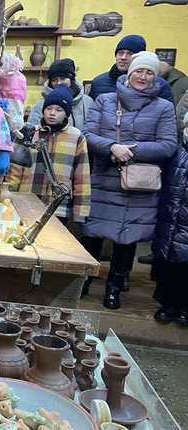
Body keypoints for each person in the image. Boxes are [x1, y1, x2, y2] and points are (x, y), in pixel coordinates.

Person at [83, 51, 178, 310]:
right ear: (129, 73)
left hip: (140, 183)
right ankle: (83, 281)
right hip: (105, 177)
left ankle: (114, 287)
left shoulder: (163, 107)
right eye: (139, 71)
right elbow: (88, 133)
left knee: (127, 238)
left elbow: (168, 145)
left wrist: (131, 150)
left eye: (149, 72)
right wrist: (112, 147)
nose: (143, 76)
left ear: (155, 77)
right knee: (93, 233)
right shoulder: (105, 100)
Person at [7, 86, 91, 225]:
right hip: (26, 201)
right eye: (48, 108)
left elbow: (82, 177)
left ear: (67, 113)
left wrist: (80, 213)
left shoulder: (76, 137)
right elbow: (14, 171)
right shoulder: (29, 133)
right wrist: (8, 199)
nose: (52, 113)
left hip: (58, 207)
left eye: (59, 110)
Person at [152, 116, 188, 327]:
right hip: (171, 216)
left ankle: (184, 308)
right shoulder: (175, 152)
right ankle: (167, 305)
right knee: (169, 262)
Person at [89, 34, 174, 103]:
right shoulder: (99, 82)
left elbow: (168, 115)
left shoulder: (159, 85)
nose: (123, 57)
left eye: (130, 54)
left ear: (139, 58)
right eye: (120, 53)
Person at [27, 58, 94, 129]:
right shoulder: (41, 105)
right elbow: (32, 130)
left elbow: (92, 128)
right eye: (54, 80)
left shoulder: (87, 102)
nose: (59, 83)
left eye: (63, 79)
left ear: (71, 79)